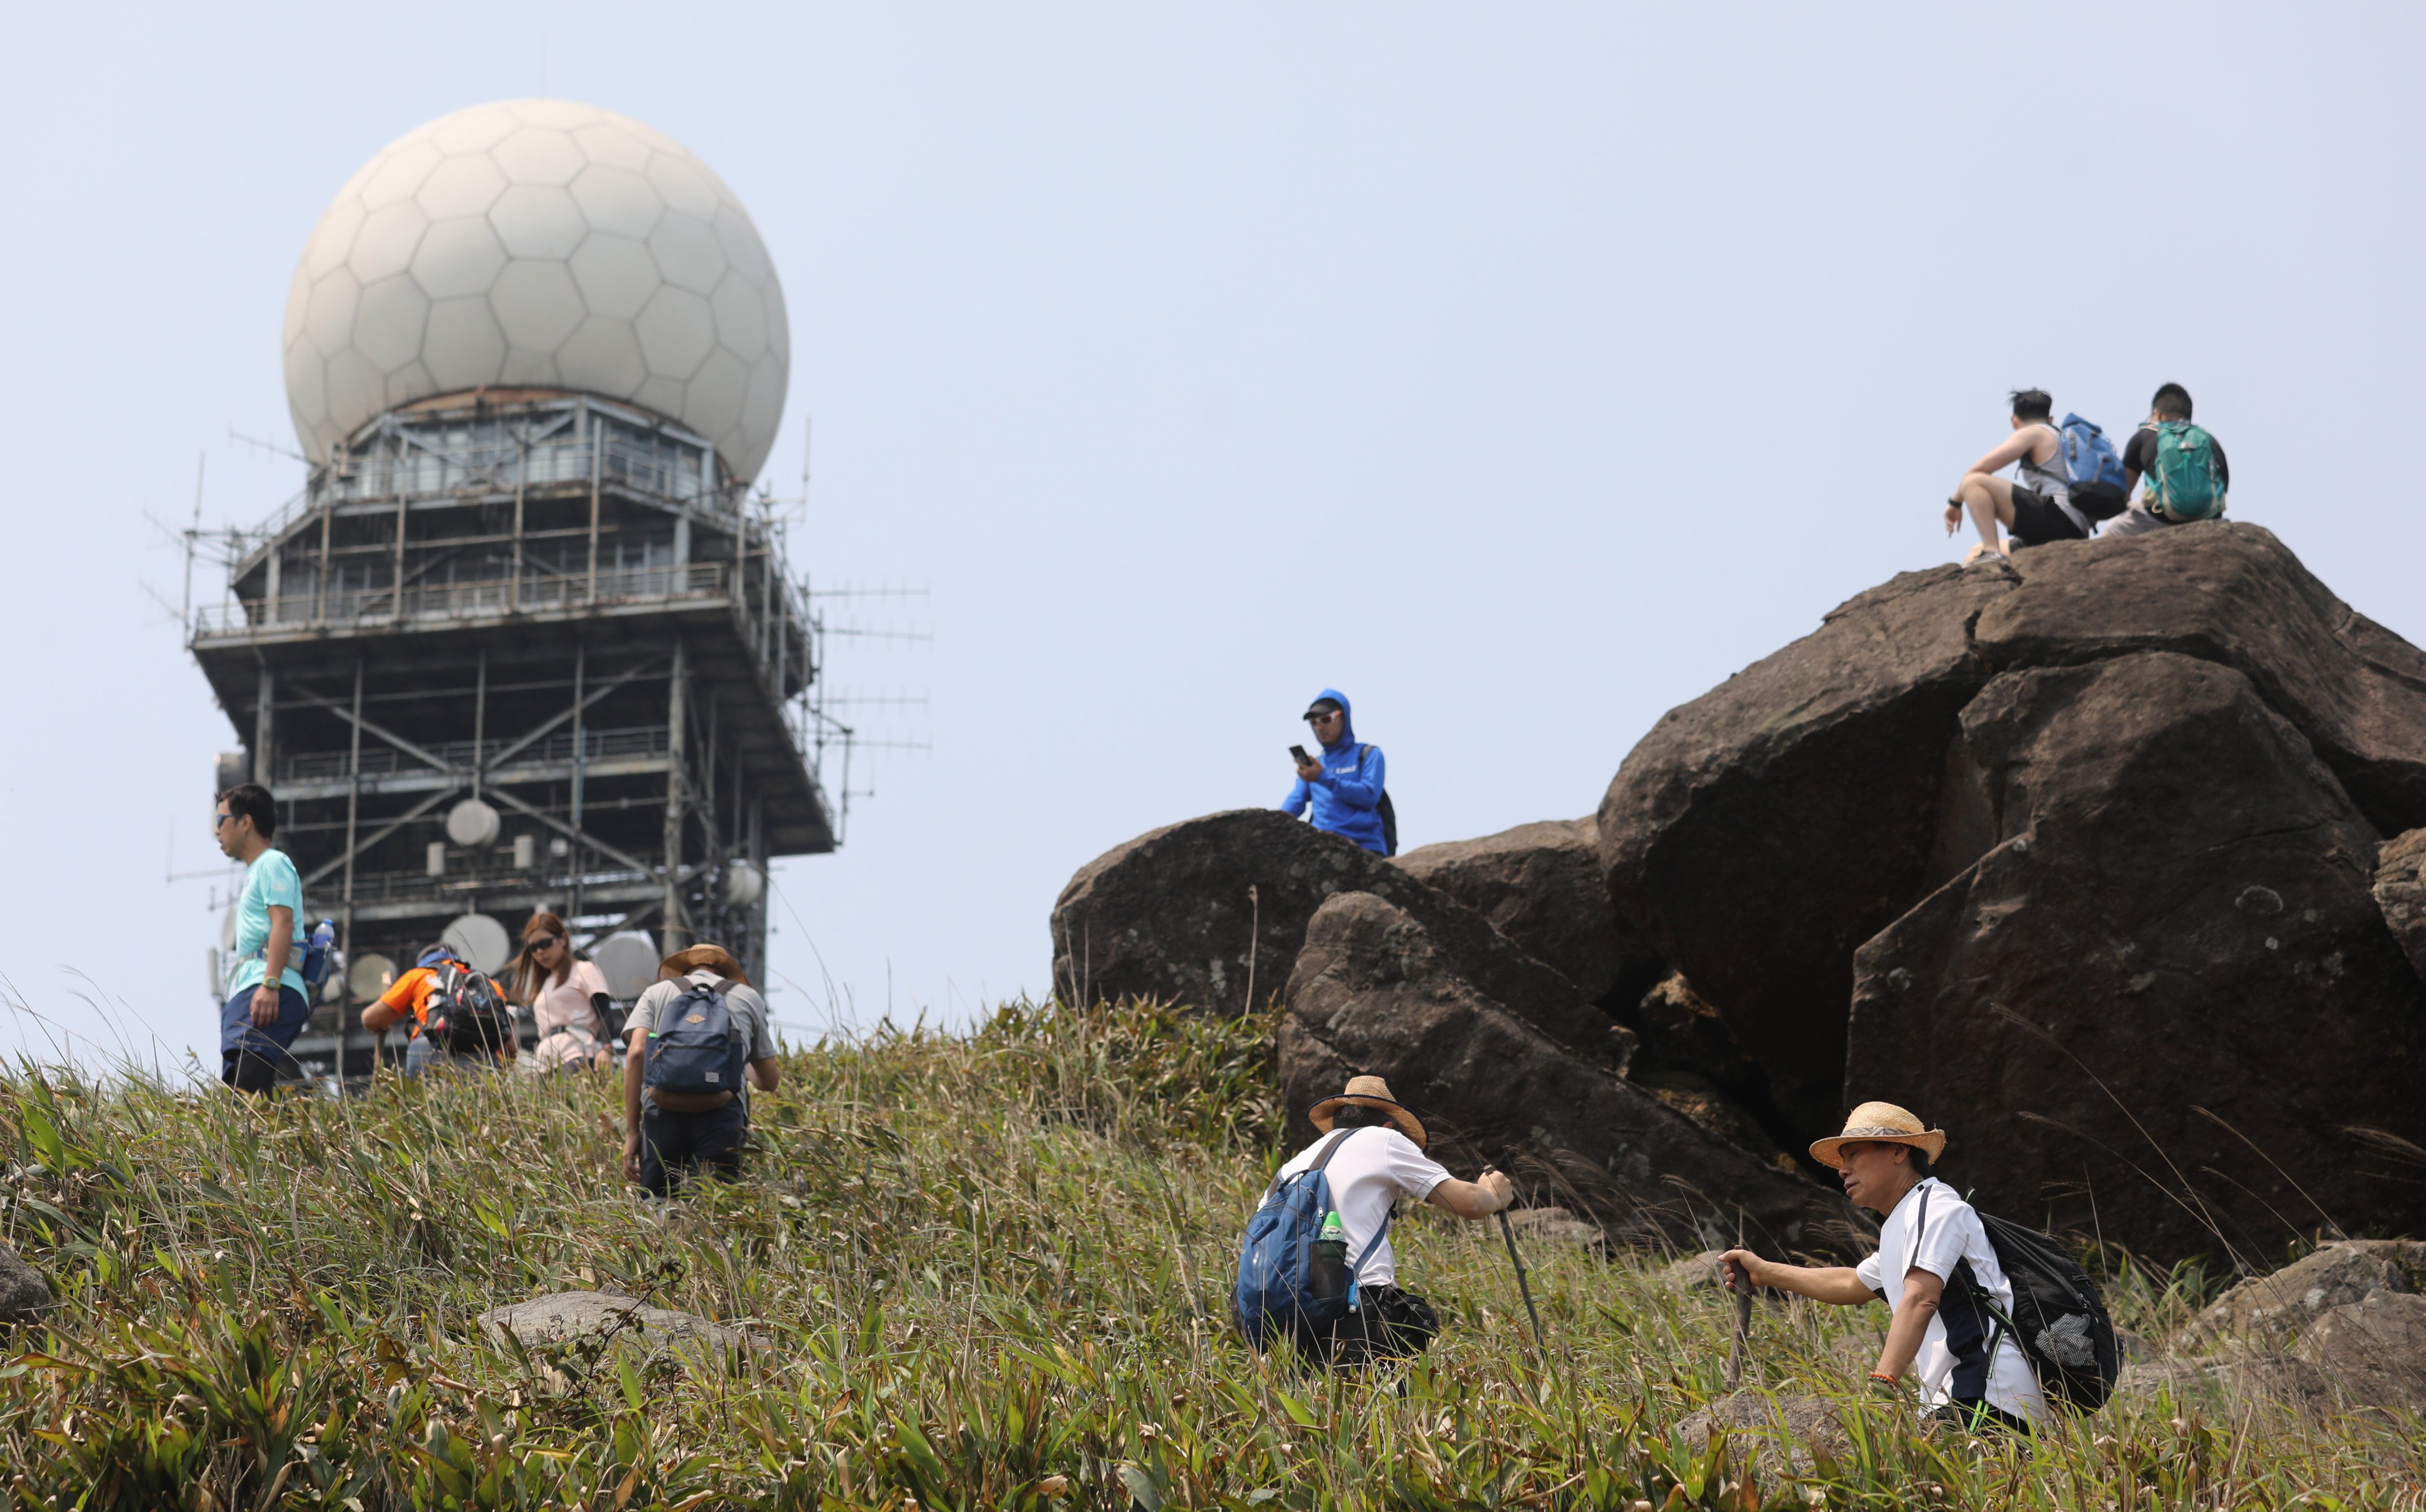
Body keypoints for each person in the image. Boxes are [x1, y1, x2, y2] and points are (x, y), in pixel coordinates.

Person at [1720, 1102, 2050, 1434]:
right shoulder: (1903, 1222)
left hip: (1986, 1393)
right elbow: (1851, 1284)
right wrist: (1764, 1272)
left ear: (1897, 1151)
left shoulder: (1934, 1207)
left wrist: (1881, 1385)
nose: (1843, 1169)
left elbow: (1921, 1299)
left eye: (1854, 1154)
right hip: (1960, 1398)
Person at [1257, 1076, 1515, 1368]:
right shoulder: (1383, 1139)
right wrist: (1493, 1193)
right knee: (1387, 1408)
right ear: (1389, 1125)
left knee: (1315, 1412)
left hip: (1282, 1323)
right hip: (1355, 1313)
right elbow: (1469, 1203)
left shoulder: (1293, 1166)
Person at [622, 943, 780, 1196]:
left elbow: (637, 1053)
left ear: (686, 969)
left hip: (661, 1111)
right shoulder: (747, 997)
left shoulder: (657, 992)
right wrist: (738, 1061)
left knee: (656, 1206)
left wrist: (632, 1132)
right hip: (722, 1114)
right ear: (726, 973)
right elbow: (769, 1081)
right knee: (711, 1210)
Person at [213, 783, 310, 1094]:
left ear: (245, 822)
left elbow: (283, 921)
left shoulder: (272, 863)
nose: (216, 832)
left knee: (246, 1083)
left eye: (220, 821)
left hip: (266, 985)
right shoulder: (256, 871)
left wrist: (270, 984)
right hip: (249, 988)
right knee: (238, 1088)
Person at [1943, 389, 2093, 561]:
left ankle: (1992, 553)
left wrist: (1954, 503)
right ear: (2050, 419)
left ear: (2014, 422)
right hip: (2074, 530)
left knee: (1973, 482)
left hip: (2058, 521)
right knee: (1974, 553)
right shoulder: (2059, 437)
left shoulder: (2035, 432)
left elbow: (1978, 470)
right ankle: (1987, 557)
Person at [361, 945, 519, 1075]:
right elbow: (510, 1048)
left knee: (428, 1110)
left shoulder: (419, 976)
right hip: (483, 1058)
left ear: (423, 962)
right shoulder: (488, 984)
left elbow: (370, 1019)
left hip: (429, 1052)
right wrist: (500, 1075)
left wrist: (383, 1024)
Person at [2104, 382, 2229, 538]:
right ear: (2188, 416)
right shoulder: (2208, 440)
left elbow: (2123, 493)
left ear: (2157, 414)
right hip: (2207, 520)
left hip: (2158, 519)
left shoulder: (2144, 435)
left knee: (2113, 530)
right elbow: (2223, 487)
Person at [1282, 689, 1390, 855]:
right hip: (1322, 849)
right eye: (1314, 723)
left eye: (1326, 719)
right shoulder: (1316, 765)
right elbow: (1295, 802)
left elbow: (1369, 796)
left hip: (1365, 848)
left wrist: (1323, 778)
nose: (1319, 728)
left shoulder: (1369, 755)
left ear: (1343, 717)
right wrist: (1269, 823)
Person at [510, 911, 613, 1073]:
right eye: (534, 948)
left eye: (545, 944)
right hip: (546, 1062)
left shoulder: (583, 970)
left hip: (576, 1053)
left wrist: (607, 1049)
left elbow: (605, 1010)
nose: (540, 952)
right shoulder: (544, 984)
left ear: (563, 938)